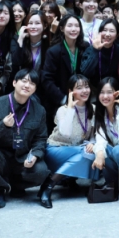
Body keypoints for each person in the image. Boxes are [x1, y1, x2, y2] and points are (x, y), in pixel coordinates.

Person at [0, 69, 51, 209]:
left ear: (35, 89)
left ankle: (17, 185)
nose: (27, 85)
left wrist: (35, 155)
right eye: (24, 81)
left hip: (23, 155)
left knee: (41, 171)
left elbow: (41, 139)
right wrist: (2, 126)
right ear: (14, 83)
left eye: (32, 83)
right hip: (0, 155)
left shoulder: (39, 110)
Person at [41, 74, 96, 208]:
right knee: (84, 153)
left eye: (86, 86)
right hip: (56, 149)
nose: (84, 91)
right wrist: (71, 109)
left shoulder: (93, 109)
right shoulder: (63, 110)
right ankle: (49, 185)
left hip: (77, 150)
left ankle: (60, 181)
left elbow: (95, 134)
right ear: (71, 91)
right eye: (79, 88)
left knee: (92, 152)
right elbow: (65, 133)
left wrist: (92, 143)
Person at [91, 77, 119, 195]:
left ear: (117, 93)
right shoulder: (100, 113)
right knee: (101, 149)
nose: (105, 96)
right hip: (118, 150)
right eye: (102, 92)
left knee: (118, 150)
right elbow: (100, 138)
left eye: (109, 92)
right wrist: (99, 154)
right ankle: (112, 185)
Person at [81, 17, 119, 89]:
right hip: (95, 89)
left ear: (117, 35)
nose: (107, 34)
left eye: (112, 31)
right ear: (99, 33)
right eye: (104, 30)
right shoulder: (90, 49)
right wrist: (95, 50)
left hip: (114, 90)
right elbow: (85, 73)